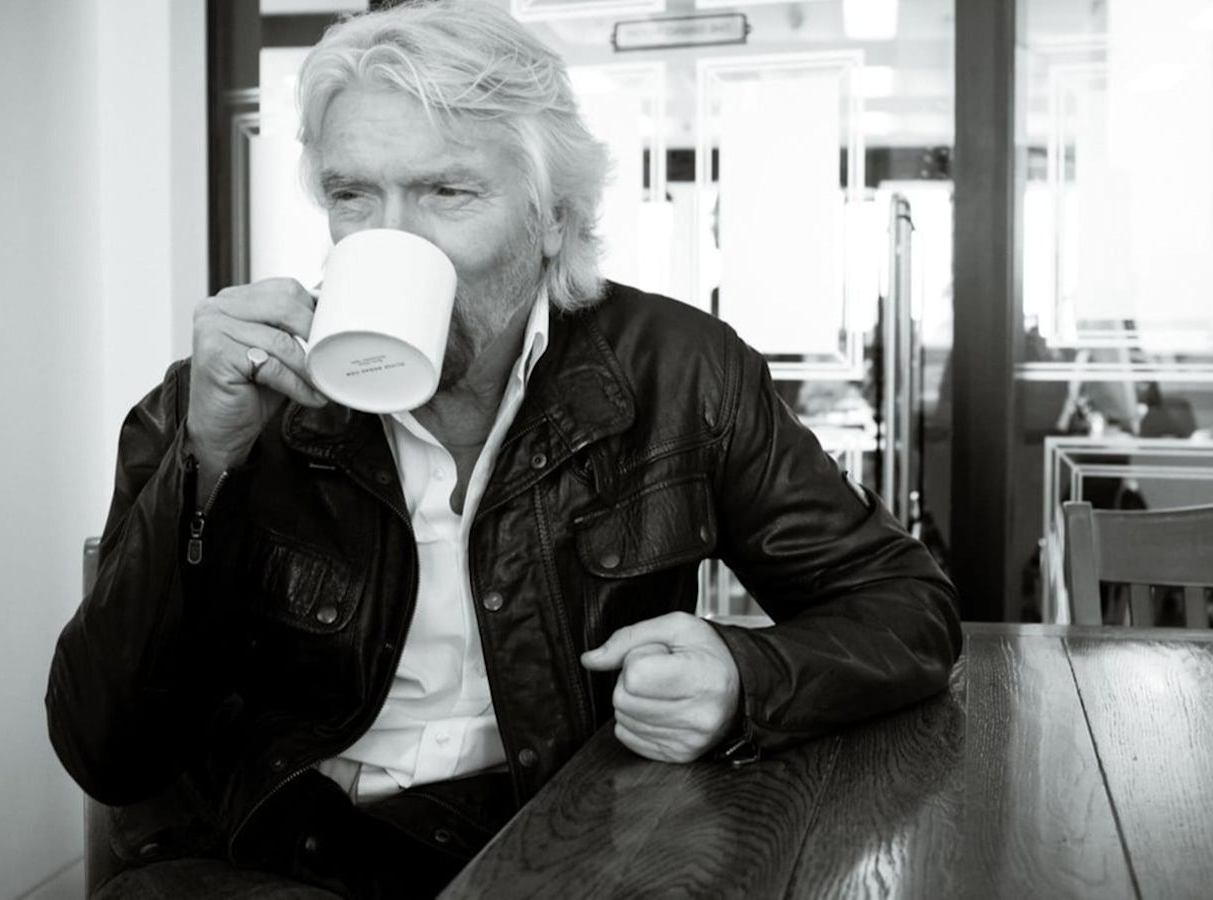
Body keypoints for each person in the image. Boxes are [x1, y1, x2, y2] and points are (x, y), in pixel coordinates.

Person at [46, 3, 961, 897]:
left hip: (568, 837)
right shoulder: (232, 397)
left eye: (448, 192)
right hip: (287, 851)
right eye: (353, 195)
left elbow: (904, 605)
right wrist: (203, 464)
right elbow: (107, 750)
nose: (392, 238)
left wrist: (741, 675)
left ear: (552, 219)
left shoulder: (680, 372)